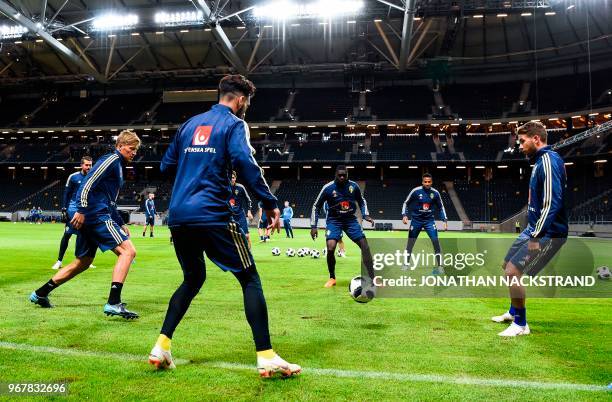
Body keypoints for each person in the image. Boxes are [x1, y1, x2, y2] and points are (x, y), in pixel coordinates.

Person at [149, 74, 300, 377]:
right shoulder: (235, 124)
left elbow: (166, 166)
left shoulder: (189, 125)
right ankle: (266, 355)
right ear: (241, 99)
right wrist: (268, 202)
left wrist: (195, 165)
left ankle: (161, 346)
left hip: (178, 216)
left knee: (193, 279)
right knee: (250, 279)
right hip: (214, 214)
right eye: (248, 103)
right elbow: (244, 161)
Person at [29, 130, 141, 320]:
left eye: (136, 150)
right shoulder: (112, 159)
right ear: (120, 146)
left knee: (83, 262)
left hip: (94, 215)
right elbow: (87, 183)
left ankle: (40, 293)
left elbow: (110, 200)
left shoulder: (119, 166)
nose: (134, 153)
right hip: (95, 216)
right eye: (131, 149)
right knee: (128, 251)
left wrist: (120, 223)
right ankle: (113, 302)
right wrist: (80, 210)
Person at [492, 121, 568, 337]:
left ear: (536, 139)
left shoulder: (548, 162)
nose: (520, 146)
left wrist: (536, 235)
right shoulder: (539, 163)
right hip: (534, 228)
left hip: (548, 232)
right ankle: (513, 311)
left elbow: (552, 203)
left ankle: (521, 324)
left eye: (523, 141)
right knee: (507, 264)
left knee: (513, 272)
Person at [310, 165, 375, 288]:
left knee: (365, 246)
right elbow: (316, 206)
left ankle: (372, 278)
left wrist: (365, 214)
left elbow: (361, 201)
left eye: (344, 175)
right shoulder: (328, 188)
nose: (341, 177)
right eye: (339, 175)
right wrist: (314, 226)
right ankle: (332, 277)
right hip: (334, 221)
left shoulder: (353, 186)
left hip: (350, 220)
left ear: (347, 175)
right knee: (330, 248)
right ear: (335, 174)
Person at [401, 173, 448, 275]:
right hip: (416, 221)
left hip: (429, 221)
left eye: (429, 182)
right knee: (410, 243)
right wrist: (404, 215)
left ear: (431, 182)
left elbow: (441, 207)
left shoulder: (435, 193)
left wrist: (444, 220)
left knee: (436, 242)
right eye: (425, 182)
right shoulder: (415, 191)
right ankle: (405, 264)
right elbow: (406, 203)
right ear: (422, 182)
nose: (427, 183)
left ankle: (440, 266)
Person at [52, 156, 93, 270]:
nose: (89, 167)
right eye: (87, 165)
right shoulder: (73, 177)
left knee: (86, 235)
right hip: (73, 209)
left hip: (87, 210)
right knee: (67, 234)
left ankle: (84, 261)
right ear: (81, 165)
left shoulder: (94, 177)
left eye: (90, 165)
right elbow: (67, 193)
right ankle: (59, 261)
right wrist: (64, 209)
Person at [230, 171, 254, 249]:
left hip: (240, 215)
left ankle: (249, 252)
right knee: (231, 238)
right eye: (230, 177)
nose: (231, 179)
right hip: (230, 216)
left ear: (235, 178)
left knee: (246, 236)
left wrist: (249, 211)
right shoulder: (224, 188)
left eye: (233, 177)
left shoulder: (240, 187)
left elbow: (248, 200)